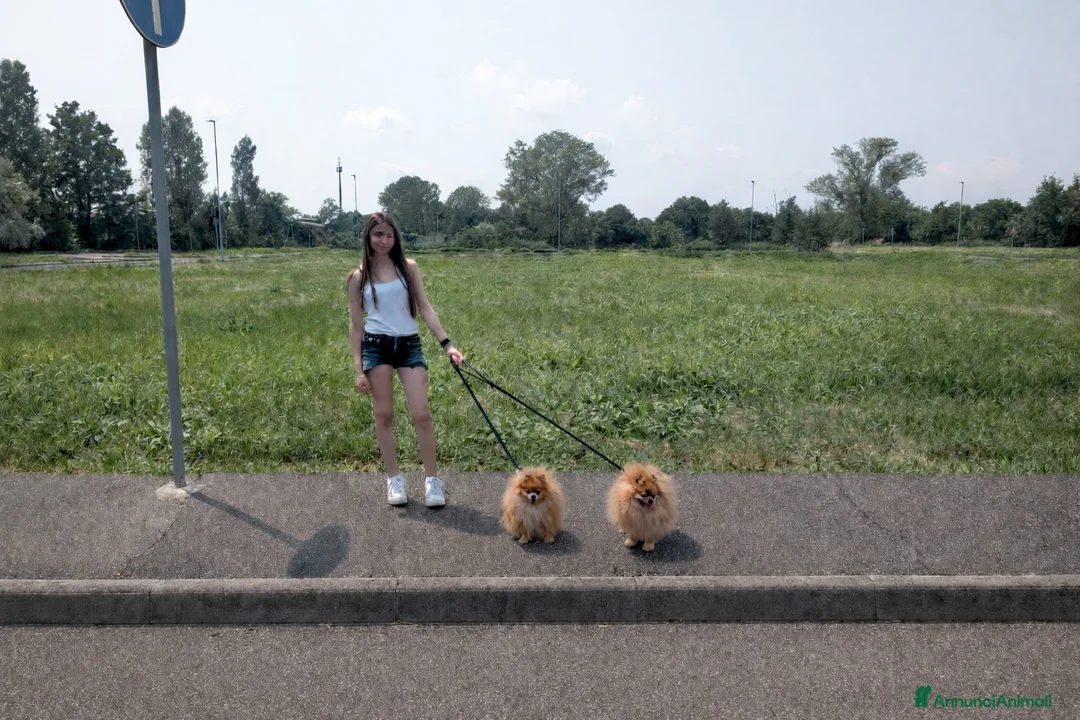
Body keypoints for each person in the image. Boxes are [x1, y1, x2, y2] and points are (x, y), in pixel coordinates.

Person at [347, 211, 463, 507]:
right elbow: (356, 325)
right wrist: (359, 369)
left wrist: (448, 345)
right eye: (378, 234)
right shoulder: (358, 277)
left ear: (395, 238)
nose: (384, 241)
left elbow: (424, 307)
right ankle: (394, 479)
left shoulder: (408, 268)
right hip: (376, 346)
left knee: (421, 413)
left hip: (409, 344)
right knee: (384, 414)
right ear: (368, 237)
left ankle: (432, 481)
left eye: (389, 235)